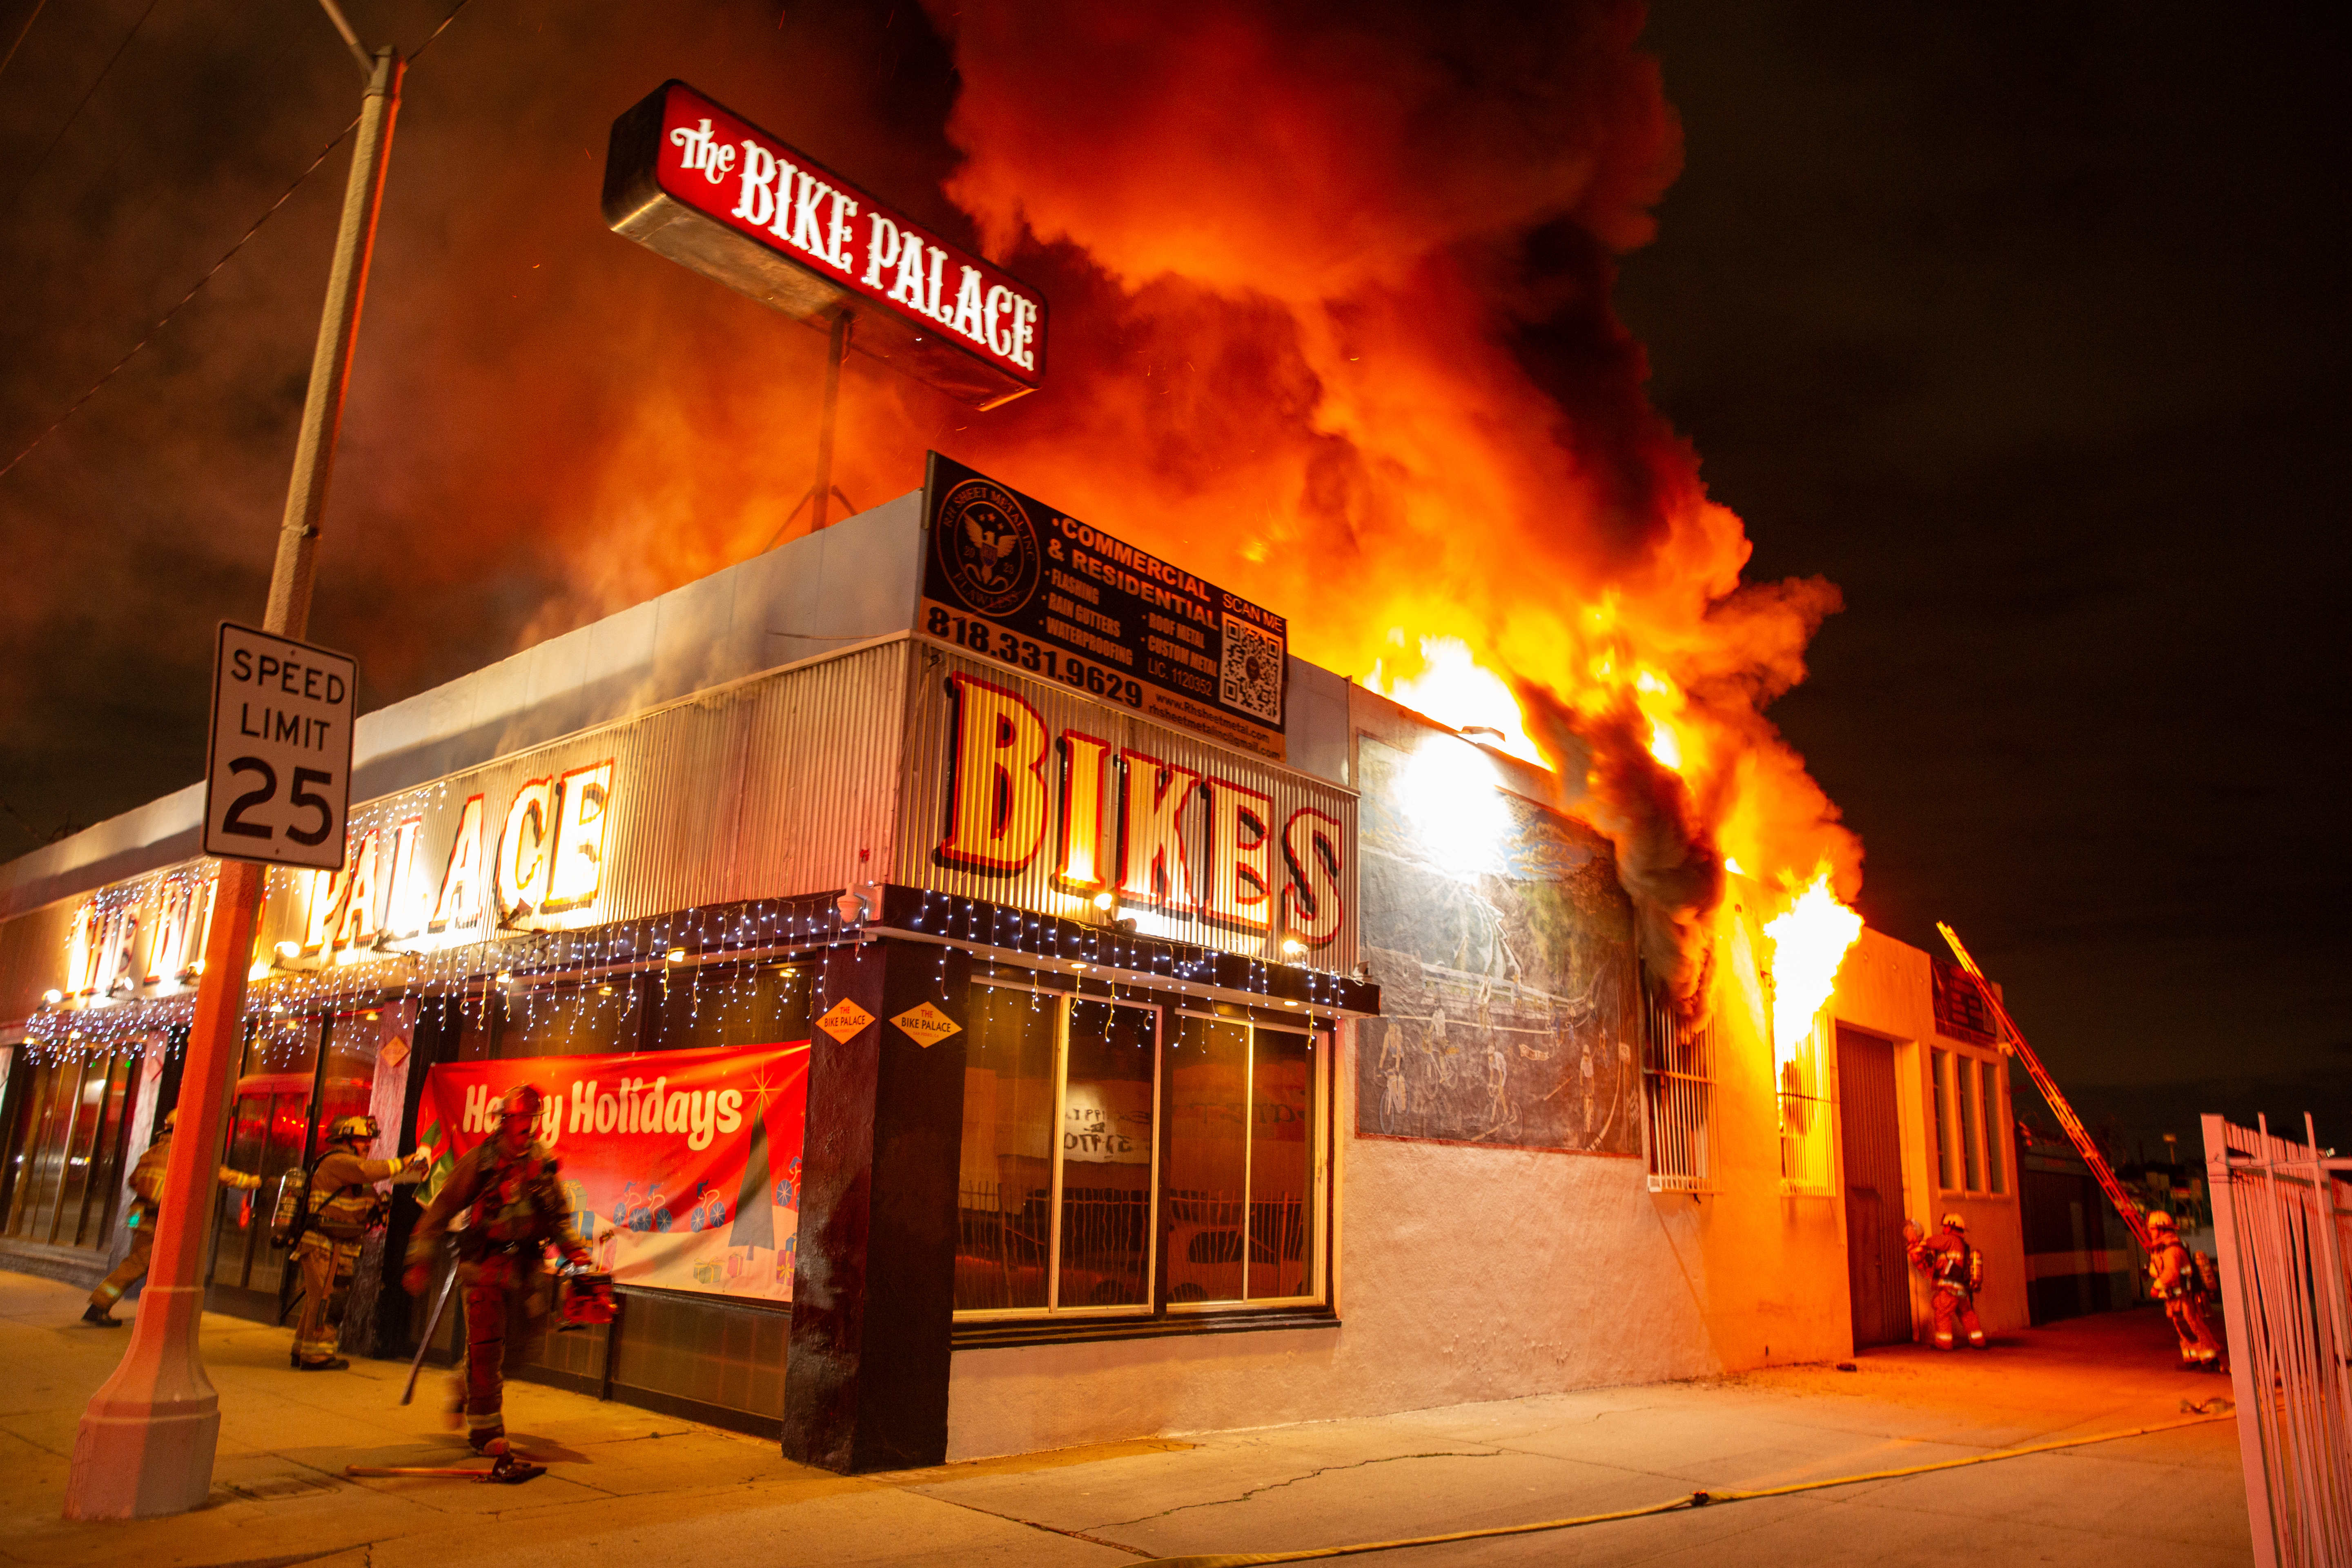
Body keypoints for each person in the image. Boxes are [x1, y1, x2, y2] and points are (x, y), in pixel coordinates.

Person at [403, 1084, 590, 1457]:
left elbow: (558, 1218)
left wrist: (576, 1253)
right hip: (484, 1267)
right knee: (488, 1347)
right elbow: (438, 1213)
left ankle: (462, 1380)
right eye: (520, 1118)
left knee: (524, 1348)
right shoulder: (479, 1163)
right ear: (504, 1121)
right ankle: (486, 1430)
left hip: (526, 1270)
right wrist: (420, 1260)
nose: (527, 1126)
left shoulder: (542, 1163)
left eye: (532, 1119)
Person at [83, 1108, 262, 1327]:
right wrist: (256, 1182)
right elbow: (222, 1175)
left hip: (139, 1216)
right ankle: (100, 1305)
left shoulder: (153, 1152)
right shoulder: (186, 1152)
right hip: (160, 1220)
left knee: (152, 1265)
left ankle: (156, 1312)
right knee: (139, 1265)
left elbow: (133, 1181)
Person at [283, 1113, 428, 1370]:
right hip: (322, 1243)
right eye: (362, 1140)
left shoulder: (349, 1172)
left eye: (369, 1141)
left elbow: (364, 1197)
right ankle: (317, 1356)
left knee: (319, 1300)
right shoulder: (338, 1161)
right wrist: (404, 1163)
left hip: (338, 1246)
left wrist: (378, 1205)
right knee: (327, 1301)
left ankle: (303, 1349)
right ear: (346, 1140)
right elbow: (366, 1172)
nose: (367, 1146)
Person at [2146, 1210, 2225, 1371]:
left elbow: (2172, 1273)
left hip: (2183, 1297)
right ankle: (2193, 1357)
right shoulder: (2163, 1248)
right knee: (2184, 1328)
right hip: (2174, 1298)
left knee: (2193, 1326)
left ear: (2163, 1230)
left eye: (2153, 1229)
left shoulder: (2172, 1249)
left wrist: (2157, 1286)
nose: (2150, 1232)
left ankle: (2210, 1359)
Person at [1908, 1211, 1987, 1350]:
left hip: (1950, 1286)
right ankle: (1978, 1340)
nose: (1943, 1229)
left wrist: (1920, 1241)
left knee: (1942, 1312)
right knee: (1966, 1312)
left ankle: (1944, 1343)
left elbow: (1933, 1242)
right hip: (1961, 1288)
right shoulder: (1961, 1244)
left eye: (1945, 1226)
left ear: (1951, 1227)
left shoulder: (1951, 1240)